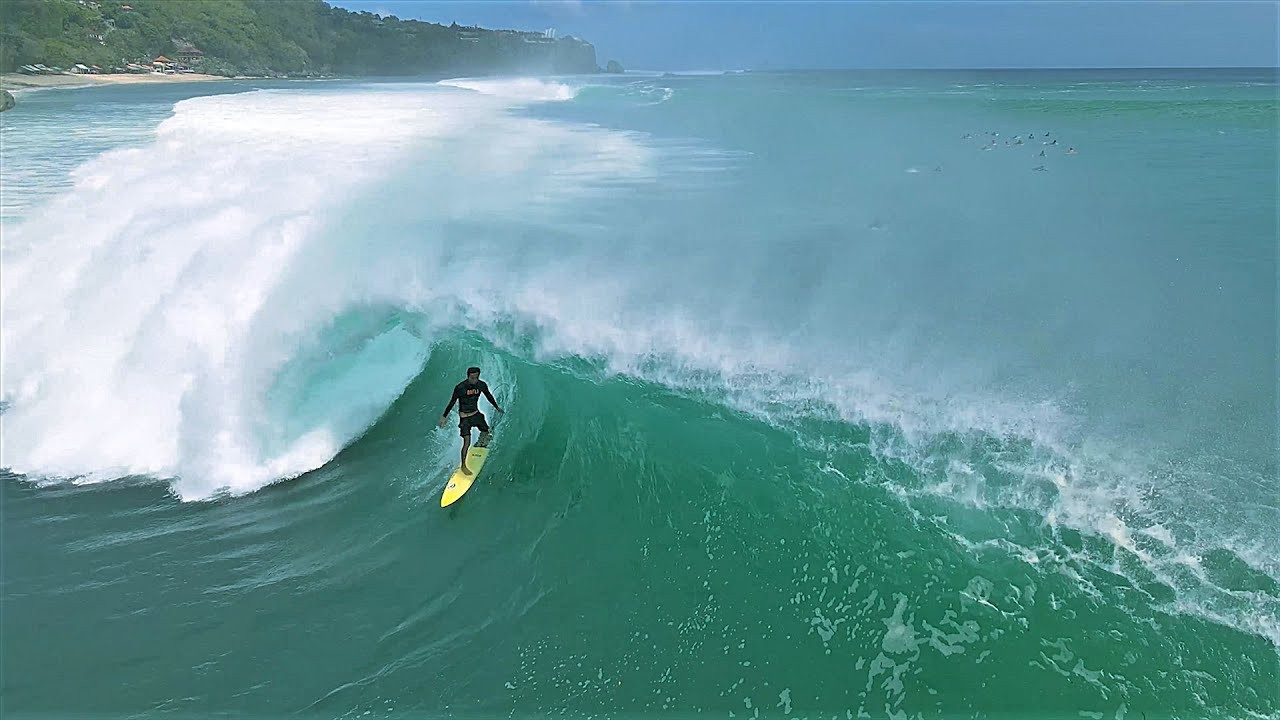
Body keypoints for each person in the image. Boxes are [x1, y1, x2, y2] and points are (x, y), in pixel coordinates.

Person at [439, 366, 503, 475]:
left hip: (476, 414)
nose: (475, 380)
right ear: (468, 376)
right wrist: (444, 416)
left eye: (477, 377)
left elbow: (489, 396)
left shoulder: (481, 385)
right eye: (473, 378)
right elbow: (452, 401)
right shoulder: (460, 387)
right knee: (467, 442)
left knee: (486, 431)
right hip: (465, 418)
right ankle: (463, 466)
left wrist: (496, 407)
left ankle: (481, 441)